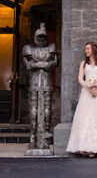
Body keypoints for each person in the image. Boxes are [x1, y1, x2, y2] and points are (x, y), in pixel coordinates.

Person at [21, 22, 58, 153]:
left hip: (46, 82)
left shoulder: (51, 48)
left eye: (43, 37)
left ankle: (46, 133)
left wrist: (39, 64)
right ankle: (33, 135)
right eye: (39, 37)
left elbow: (54, 62)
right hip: (35, 82)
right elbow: (28, 65)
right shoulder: (28, 49)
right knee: (34, 109)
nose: (41, 39)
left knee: (46, 109)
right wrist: (42, 64)